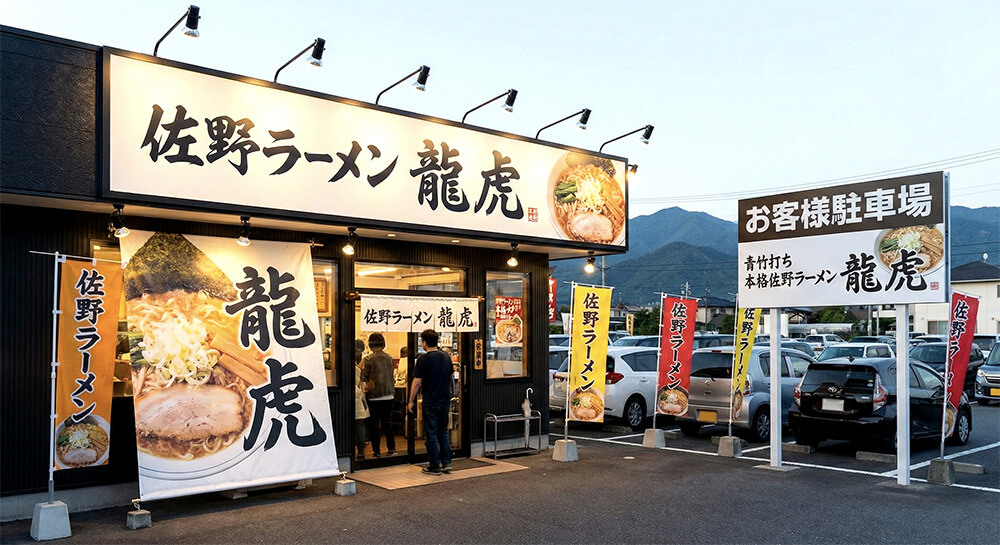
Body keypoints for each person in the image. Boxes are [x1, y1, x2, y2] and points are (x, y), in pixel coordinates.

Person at [408, 329, 452, 475]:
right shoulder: (446, 357)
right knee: (443, 432)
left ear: (425, 343)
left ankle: (434, 466)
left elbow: (416, 382)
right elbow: (450, 376)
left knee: (431, 434)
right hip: (445, 399)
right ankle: (446, 463)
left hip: (431, 400)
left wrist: (410, 401)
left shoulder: (423, 359)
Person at [360, 332, 396, 457]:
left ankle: (376, 452)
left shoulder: (368, 359)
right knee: (387, 424)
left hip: (374, 396)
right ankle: (392, 449)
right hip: (389, 394)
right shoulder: (390, 358)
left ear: (370, 345)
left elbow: (362, 376)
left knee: (374, 425)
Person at [353, 339, 369, 459]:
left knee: (353, 426)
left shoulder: (346, 369)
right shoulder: (358, 370)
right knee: (360, 426)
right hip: (358, 399)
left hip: (352, 399)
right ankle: (361, 451)